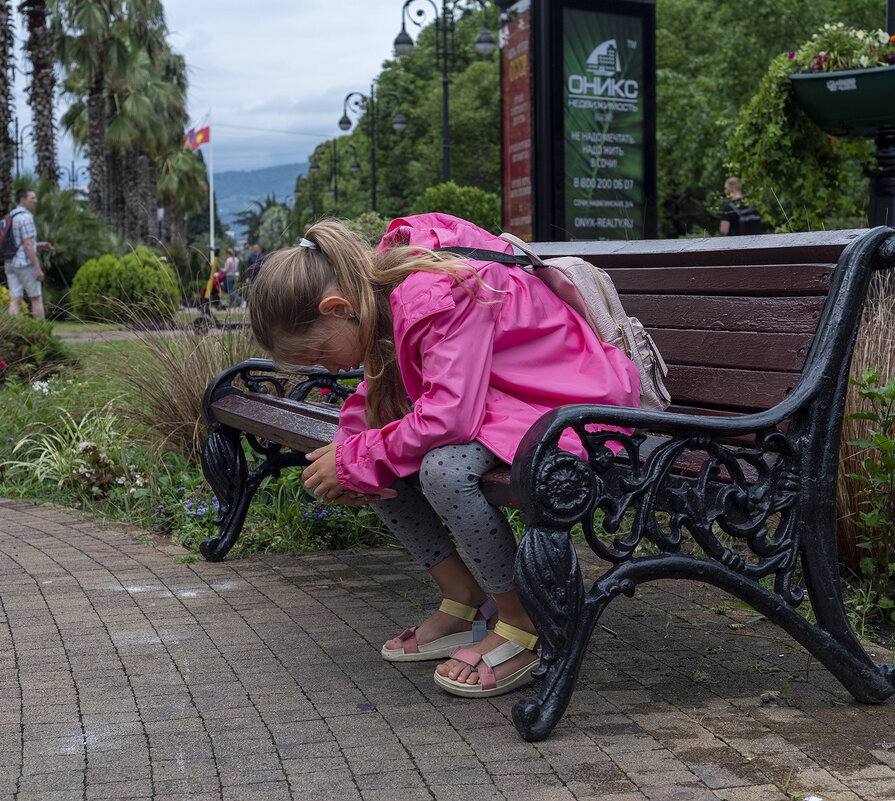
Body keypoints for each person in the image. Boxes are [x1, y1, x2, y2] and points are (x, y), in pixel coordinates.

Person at [247, 214, 640, 698]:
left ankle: (523, 623)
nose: (330, 368)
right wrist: (352, 458)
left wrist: (359, 458)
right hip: (510, 400)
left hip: (575, 405)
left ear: (337, 307)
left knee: (443, 469)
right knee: (371, 459)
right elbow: (378, 395)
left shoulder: (434, 293)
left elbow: (449, 418)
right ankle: (465, 598)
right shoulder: (382, 299)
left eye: (322, 353)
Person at [5, 188, 52, 318]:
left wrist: (39, 245)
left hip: (10, 262)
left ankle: (11, 331)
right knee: (36, 298)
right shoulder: (26, 217)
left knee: (15, 298)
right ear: (23, 200)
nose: (36, 201)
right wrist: (37, 268)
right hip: (24, 263)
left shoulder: (11, 215)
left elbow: (19, 242)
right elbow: (27, 245)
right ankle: (42, 333)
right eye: (32, 198)